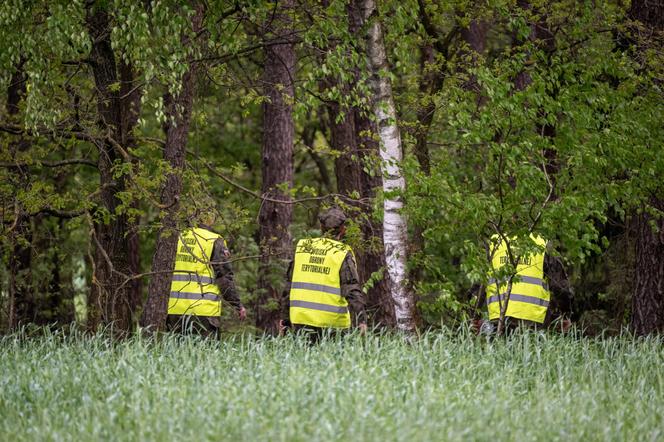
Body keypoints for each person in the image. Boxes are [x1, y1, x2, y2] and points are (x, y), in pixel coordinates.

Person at [280, 207, 367, 341]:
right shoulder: (341, 252)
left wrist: (285, 319)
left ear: (321, 227)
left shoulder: (304, 247)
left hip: (301, 320)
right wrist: (362, 319)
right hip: (332, 323)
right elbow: (351, 288)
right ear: (343, 229)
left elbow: (289, 286)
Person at [167, 214, 246, 337]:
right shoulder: (213, 240)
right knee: (204, 354)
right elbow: (224, 277)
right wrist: (237, 305)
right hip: (203, 311)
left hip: (174, 310)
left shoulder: (178, 236)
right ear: (210, 218)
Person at [479, 234, 571, 334]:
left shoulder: (494, 242)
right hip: (532, 318)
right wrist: (565, 315)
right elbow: (559, 287)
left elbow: (479, 282)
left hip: (498, 316)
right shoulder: (543, 244)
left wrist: (474, 314)